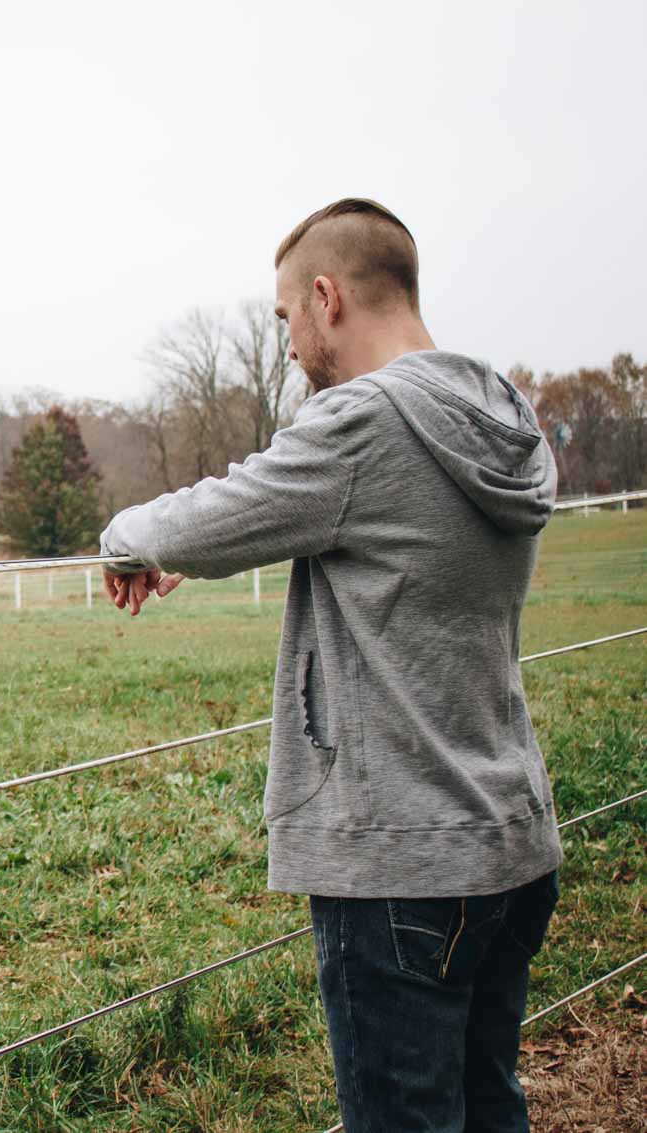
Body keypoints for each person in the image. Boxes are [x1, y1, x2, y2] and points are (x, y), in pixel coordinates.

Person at [98, 198, 562, 1131]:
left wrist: (123, 538)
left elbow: (193, 515)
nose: (289, 344)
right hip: (510, 840)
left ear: (326, 297)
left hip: (401, 863)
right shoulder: (498, 414)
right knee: (489, 1109)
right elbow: (370, 531)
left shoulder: (363, 421)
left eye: (284, 320)